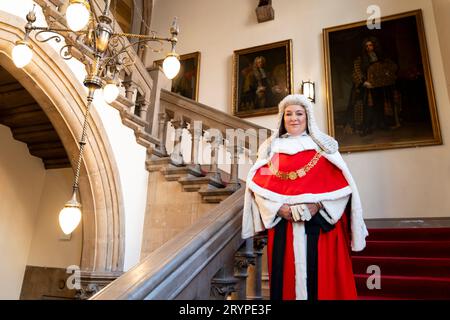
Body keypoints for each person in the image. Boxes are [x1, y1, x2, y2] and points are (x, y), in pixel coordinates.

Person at [242, 94, 368, 300]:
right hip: (284, 226)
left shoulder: (324, 148)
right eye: (288, 114)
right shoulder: (271, 150)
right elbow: (260, 186)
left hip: (319, 228)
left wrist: (318, 205)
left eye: (299, 113)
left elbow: (343, 188)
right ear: (282, 119)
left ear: (307, 117)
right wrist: (278, 209)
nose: (294, 118)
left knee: (321, 283)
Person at [345, 37, 401, 136]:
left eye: (370, 45)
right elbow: (356, 72)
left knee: (381, 105)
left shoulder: (381, 57)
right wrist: (364, 82)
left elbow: (390, 67)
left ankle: (383, 124)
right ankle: (367, 127)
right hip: (367, 87)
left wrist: (387, 76)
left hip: (381, 86)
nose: (368, 47)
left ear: (374, 46)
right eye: (366, 46)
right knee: (368, 107)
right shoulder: (361, 59)